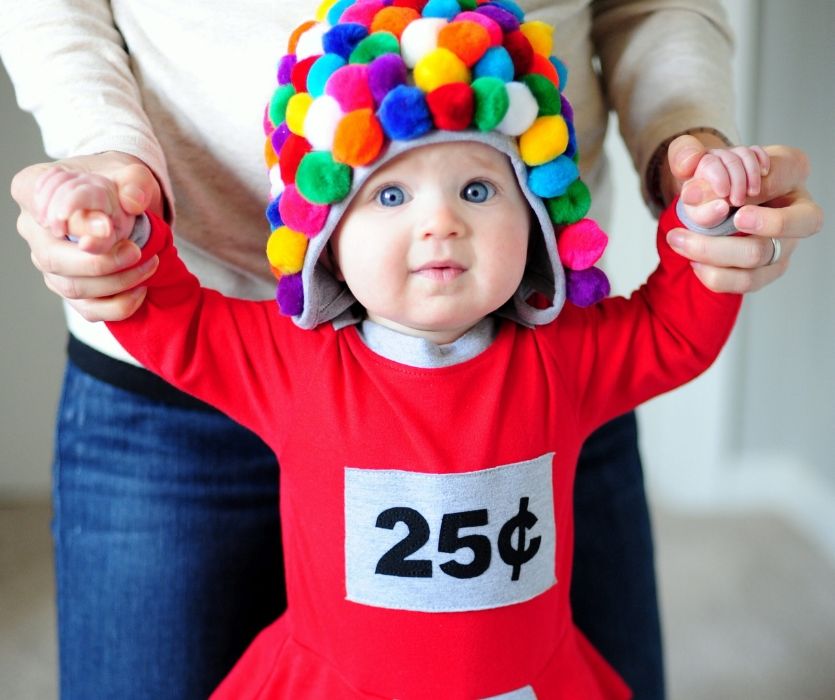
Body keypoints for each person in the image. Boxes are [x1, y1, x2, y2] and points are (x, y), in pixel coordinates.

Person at [1, 1, 822, 698]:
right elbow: (169, 318)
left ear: (537, 218)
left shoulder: (565, 359)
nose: (440, 223)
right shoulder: (290, 363)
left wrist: (709, 213)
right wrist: (109, 216)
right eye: (389, 193)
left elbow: (672, 331)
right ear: (327, 234)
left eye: (476, 189)